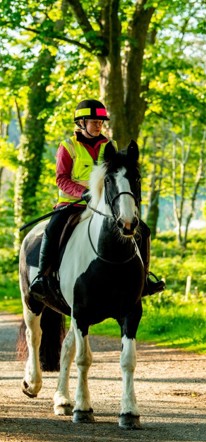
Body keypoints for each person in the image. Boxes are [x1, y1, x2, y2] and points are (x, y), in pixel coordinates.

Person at [29, 99, 164, 300]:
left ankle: (144, 280)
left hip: (105, 207)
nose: (98, 125)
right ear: (81, 123)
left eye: (101, 122)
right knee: (52, 229)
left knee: (143, 230)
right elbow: (61, 178)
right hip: (73, 205)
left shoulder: (110, 146)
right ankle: (42, 277)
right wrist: (82, 192)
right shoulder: (68, 147)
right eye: (94, 121)